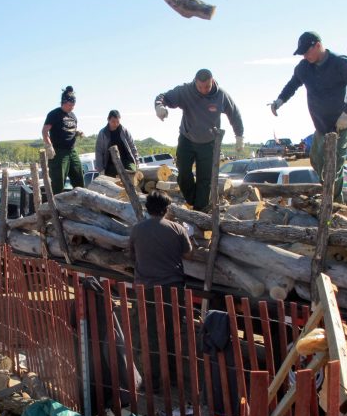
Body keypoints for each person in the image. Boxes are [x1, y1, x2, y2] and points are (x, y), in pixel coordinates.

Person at [270, 31, 347, 202]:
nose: (305, 56)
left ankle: (333, 202)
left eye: (307, 51)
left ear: (318, 45)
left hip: (340, 124)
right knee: (317, 161)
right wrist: (279, 100)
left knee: (333, 165)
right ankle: (331, 193)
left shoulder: (340, 63)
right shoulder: (304, 67)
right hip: (321, 126)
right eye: (302, 53)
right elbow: (292, 85)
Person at [129, 190, 192, 391]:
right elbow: (188, 252)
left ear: (147, 209)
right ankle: (173, 377)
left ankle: (154, 380)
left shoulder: (137, 230)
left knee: (151, 335)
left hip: (146, 288)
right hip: (172, 288)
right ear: (166, 210)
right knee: (173, 332)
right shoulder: (177, 228)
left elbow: (131, 254)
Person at [155, 69, 244, 211]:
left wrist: (239, 136)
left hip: (209, 143)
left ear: (212, 81)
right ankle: (192, 200)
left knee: (205, 180)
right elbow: (163, 97)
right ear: (195, 82)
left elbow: (234, 114)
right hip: (187, 139)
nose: (203, 90)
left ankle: (199, 210)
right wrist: (159, 106)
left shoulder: (221, 95)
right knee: (183, 173)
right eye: (200, 87)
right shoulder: (185, 91)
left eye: (207, 87)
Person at [42, 86, 85, 194]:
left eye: (73, 105)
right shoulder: (54, 114)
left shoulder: (73, 116)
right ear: (63, 102)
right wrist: (49, 146)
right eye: (70, 105)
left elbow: (68, 130)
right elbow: (44, 131)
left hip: (71, 150)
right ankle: (56, 205)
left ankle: (81, 201)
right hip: (59, 151)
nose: (72, 107)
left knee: (79, 177)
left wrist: (77, 133)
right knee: (58, 181)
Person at [94, 109, 139, 177]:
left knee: (133, 175)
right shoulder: (102, 133)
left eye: (117, 122)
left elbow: (132, 146)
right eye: (113, 121)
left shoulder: (124, 131)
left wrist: (137, 161)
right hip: (110, 164)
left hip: (126, 161)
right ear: (108, 120)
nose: (115, 124)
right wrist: (100, 169)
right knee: (113, 183)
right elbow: (99, 151)